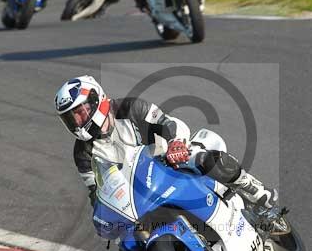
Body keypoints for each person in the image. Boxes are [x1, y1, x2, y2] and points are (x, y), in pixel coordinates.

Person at [54, 76, 277, 214]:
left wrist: (175, 144)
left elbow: (167, 122)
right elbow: (96, 193)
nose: (78, 121)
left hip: (168, 161)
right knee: (129, 248)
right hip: (137, 194)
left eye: (80, 112)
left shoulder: (130, 108)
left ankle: (254, 189)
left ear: (96, 100)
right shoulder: (83, 153)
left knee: (204, 158)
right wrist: (103, 213)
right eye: (71, 118)